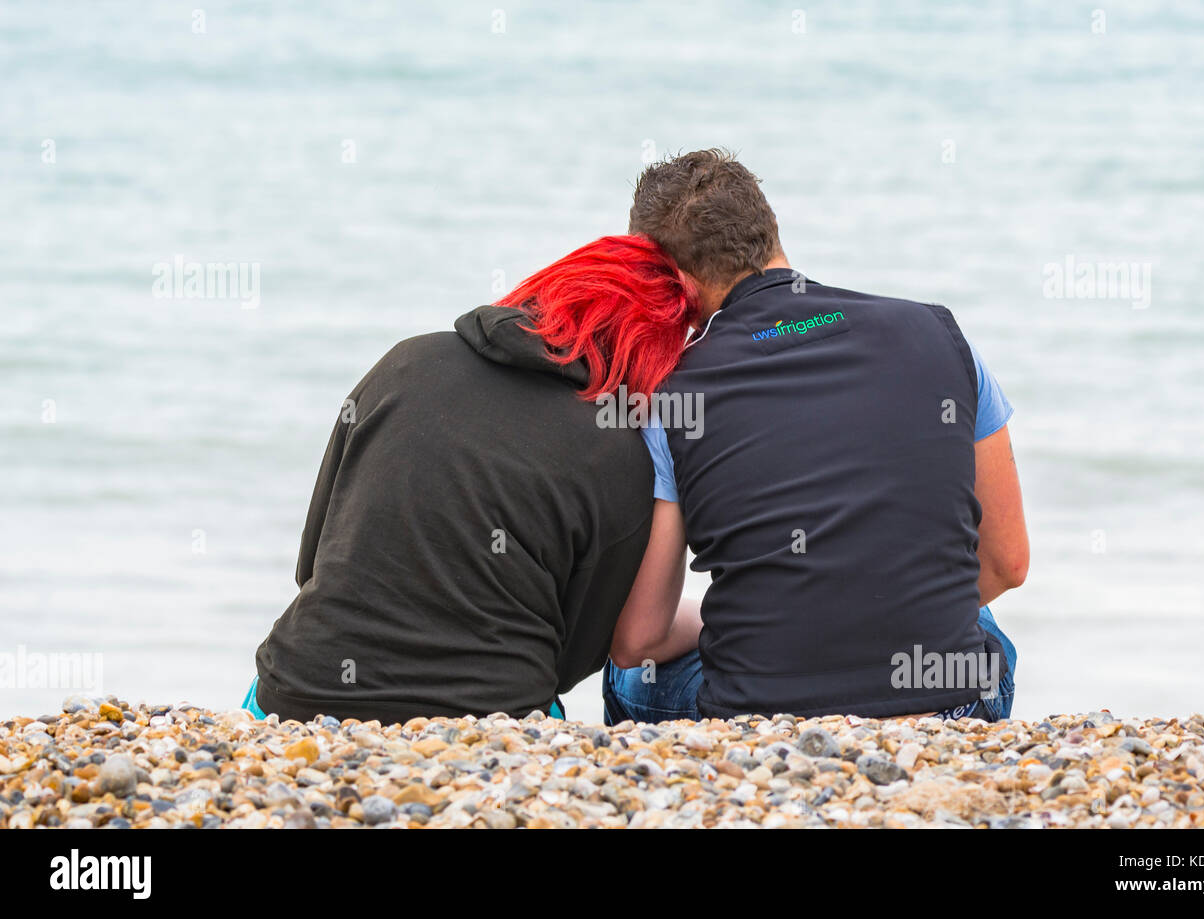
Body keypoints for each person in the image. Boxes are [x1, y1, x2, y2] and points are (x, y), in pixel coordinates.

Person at [604, 149, 1029, 723]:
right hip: (954, 703)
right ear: (770, 234)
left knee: (628, 674)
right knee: (979, 627)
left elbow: (640, 639)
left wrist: (757, 615)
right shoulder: (939, 334)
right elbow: (1008, 564)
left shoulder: (670, 394)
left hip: (755, 716)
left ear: (672, 281)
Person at [245, 235, 698, 723]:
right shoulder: (621, 454)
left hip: (298, 692)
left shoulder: (404, 364)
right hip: (492, 718)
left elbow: (312, 564)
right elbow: (576, 656)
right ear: (654, 354)